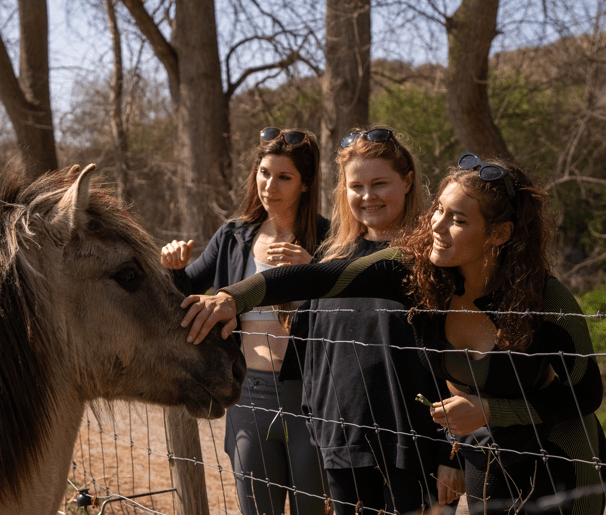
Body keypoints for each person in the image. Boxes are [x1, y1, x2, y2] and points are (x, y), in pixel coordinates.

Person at [180, 153, 606, 515]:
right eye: (438, 209)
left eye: (457, 219)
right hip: (486, 455)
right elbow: (317, 277)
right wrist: (232, 298)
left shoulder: (544, 296)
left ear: (498, 233)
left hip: (561, 459)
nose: (437, 226)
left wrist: (493, 411)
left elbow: (586, 395)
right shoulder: (415, 269)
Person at [160, 127, 331, 515]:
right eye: (264, 173)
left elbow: (354, 312)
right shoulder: (233, 235)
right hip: (247, 396)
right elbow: (185, 288)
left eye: (284, 177)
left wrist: (316, 271)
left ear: (305, 184)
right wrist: (174, 267)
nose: (270, 185)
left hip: (312, 397)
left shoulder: (330, 238)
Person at [290, 127, 460, 515]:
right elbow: (314, 361)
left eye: (380, 183)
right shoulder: (331, 262)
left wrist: (453, 452)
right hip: (343, 451)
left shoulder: (435, 263)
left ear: (407, 181)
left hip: (417, 454)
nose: (368, 197)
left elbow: (461, 364)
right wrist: (321, 432)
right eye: (357, 186)